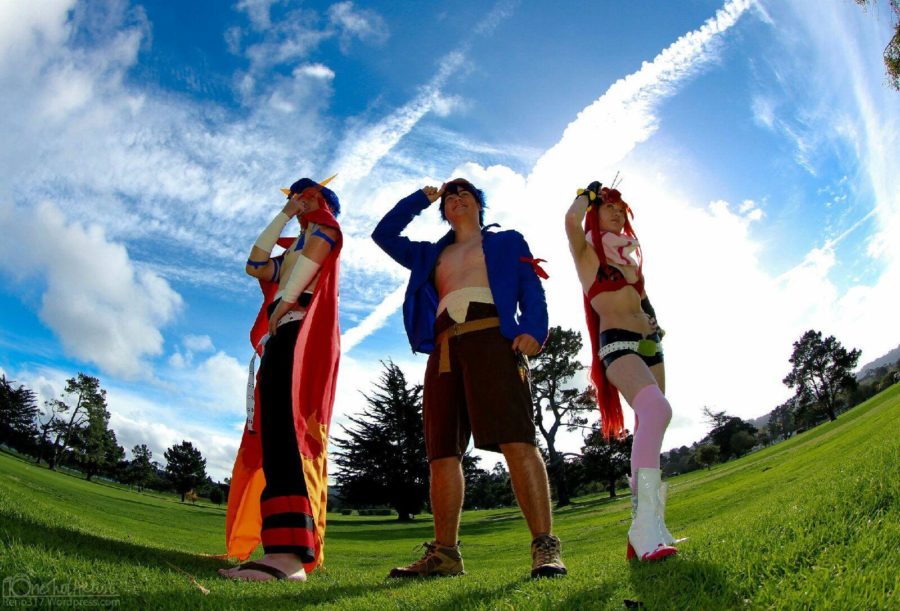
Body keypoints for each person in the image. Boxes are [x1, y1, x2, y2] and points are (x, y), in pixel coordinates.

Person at [372, 178, 566, 579]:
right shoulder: (430, 254)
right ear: (443, 211)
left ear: (479, 204)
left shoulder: (507, 241)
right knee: (442, 451)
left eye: (465, 194)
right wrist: (418, 200)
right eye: (449, 197)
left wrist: (534, 327)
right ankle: (445, 555)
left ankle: (545, 547)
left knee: (517, 439)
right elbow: (384, 234)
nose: (456, 199)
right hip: (444, 349)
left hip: (493, 338)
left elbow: (533, 289)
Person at [219, 177, 342, 581]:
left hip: (300, 334)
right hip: (279, 336)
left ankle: (290, 557)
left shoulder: (324, 232)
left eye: (307, 195)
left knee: (290, 436)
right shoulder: (293, 248)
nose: (299, 200)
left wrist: (285, 302)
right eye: (294, 195)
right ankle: (279, 549)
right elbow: (254, 263)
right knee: (273, 437)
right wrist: (285, 214)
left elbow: (321, 241)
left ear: (322, 201)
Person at [564, 181, 680, 562]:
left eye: (621, 209)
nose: (617, 213)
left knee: (653, 425)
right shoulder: (587, 253)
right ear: (595, 214)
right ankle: (644, 528)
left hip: (650, 346)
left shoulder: (628, 258)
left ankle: (651, 528)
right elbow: (570, 218)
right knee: (657, 410)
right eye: (609, 207)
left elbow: (644, 302)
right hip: (617, 343)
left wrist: (653, 324)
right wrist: (588, 195)